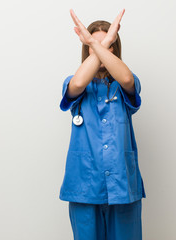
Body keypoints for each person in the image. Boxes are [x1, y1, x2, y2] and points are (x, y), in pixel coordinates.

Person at [59, 8, 146, 240]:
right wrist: (101, 44)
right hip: (84, 186)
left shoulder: (126, 82)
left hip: (122, 186)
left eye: (108, 44)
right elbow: (77, 84)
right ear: (86, 50)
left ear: (114, 50)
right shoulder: (74, 81)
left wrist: (97, 43)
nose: (100, 49)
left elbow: (126, 79)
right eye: (92, 45)